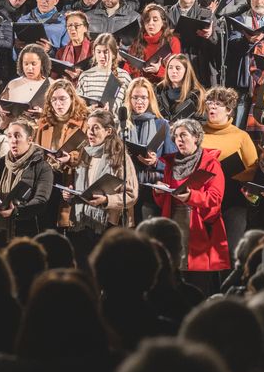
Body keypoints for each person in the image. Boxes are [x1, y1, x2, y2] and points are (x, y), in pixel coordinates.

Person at [155, 118, 229, 285]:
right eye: (175, 136)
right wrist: (159, 191)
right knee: (174, 279)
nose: (178, 140)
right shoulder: (170, 163)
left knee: (197, 282)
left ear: (196, 137)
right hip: (173, 223)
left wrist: (191, 197)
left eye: (183, 135)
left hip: (199, 226)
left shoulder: (210, 163)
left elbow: (215, 198)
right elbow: (163, 203)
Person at [200, 87, 258, 252]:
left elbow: (254, 168)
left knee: (231, 251)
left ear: (229, 110)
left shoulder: (240, 136)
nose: (212, 107)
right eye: (210, 103)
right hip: (203, 200)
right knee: (205, 254)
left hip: (232, 199)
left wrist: (232, 176)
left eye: (217, 104)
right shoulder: (198, 133)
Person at [63, 107, 138, 233]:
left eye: (96, 127)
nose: (90, 132)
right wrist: (71, 194)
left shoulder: (120, 157)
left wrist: (106, 200)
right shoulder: (85, 153)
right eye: (89, 127)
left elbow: (131, 195)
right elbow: (82, 190)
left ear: (108, 131)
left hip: (108, 223)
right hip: (82, 221)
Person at [35, 79, 88, 228]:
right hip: (47, 177)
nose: (58, 104)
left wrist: (70, 157)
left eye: (63, 99)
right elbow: (37, 148)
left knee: (67, 222)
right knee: (46, 222)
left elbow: (87, 152)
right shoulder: (44, 122)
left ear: (72, 98)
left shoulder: (83, 122)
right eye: (54, 100)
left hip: (71, 176)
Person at [0, 118, 54, 239]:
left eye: (17, 136)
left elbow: (41, 200)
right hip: (0, 232)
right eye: (9, 136)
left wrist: (16, 212)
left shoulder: (42, 167)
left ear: (29, 140)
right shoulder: (2, 163)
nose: (13, 141)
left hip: (28, 232)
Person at [125, 77, 173, 223]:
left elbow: (174, 162)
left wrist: (156, 162)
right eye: (135, 98)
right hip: (127, 186)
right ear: (129, 99)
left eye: (144, 98)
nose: (139, 102)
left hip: (151, 188)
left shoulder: (162, 125)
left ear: (150, 99)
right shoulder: (122, 123)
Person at [167, 0, 221, 85]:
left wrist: (211, 35)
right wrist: (167, 35)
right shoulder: (165, 14)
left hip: (200, 69)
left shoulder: (207, 15)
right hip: (174, 69)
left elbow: (219, 43)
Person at [125, 4, 180, 83]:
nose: (150, 23)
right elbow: (128, 66)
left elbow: (176, 72)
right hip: (139, 86)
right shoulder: (137, 42)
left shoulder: (173, 41)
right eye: (147, 20)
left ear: (163, 23)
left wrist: (158, 70)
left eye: (155, 19)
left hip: (163, 87)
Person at [155, 52, 206, 121]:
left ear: (186, 71)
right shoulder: (158, 90)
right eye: (170, 68)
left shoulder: (197, 94)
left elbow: (202, 120)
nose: (173, 71)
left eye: (178, 68)